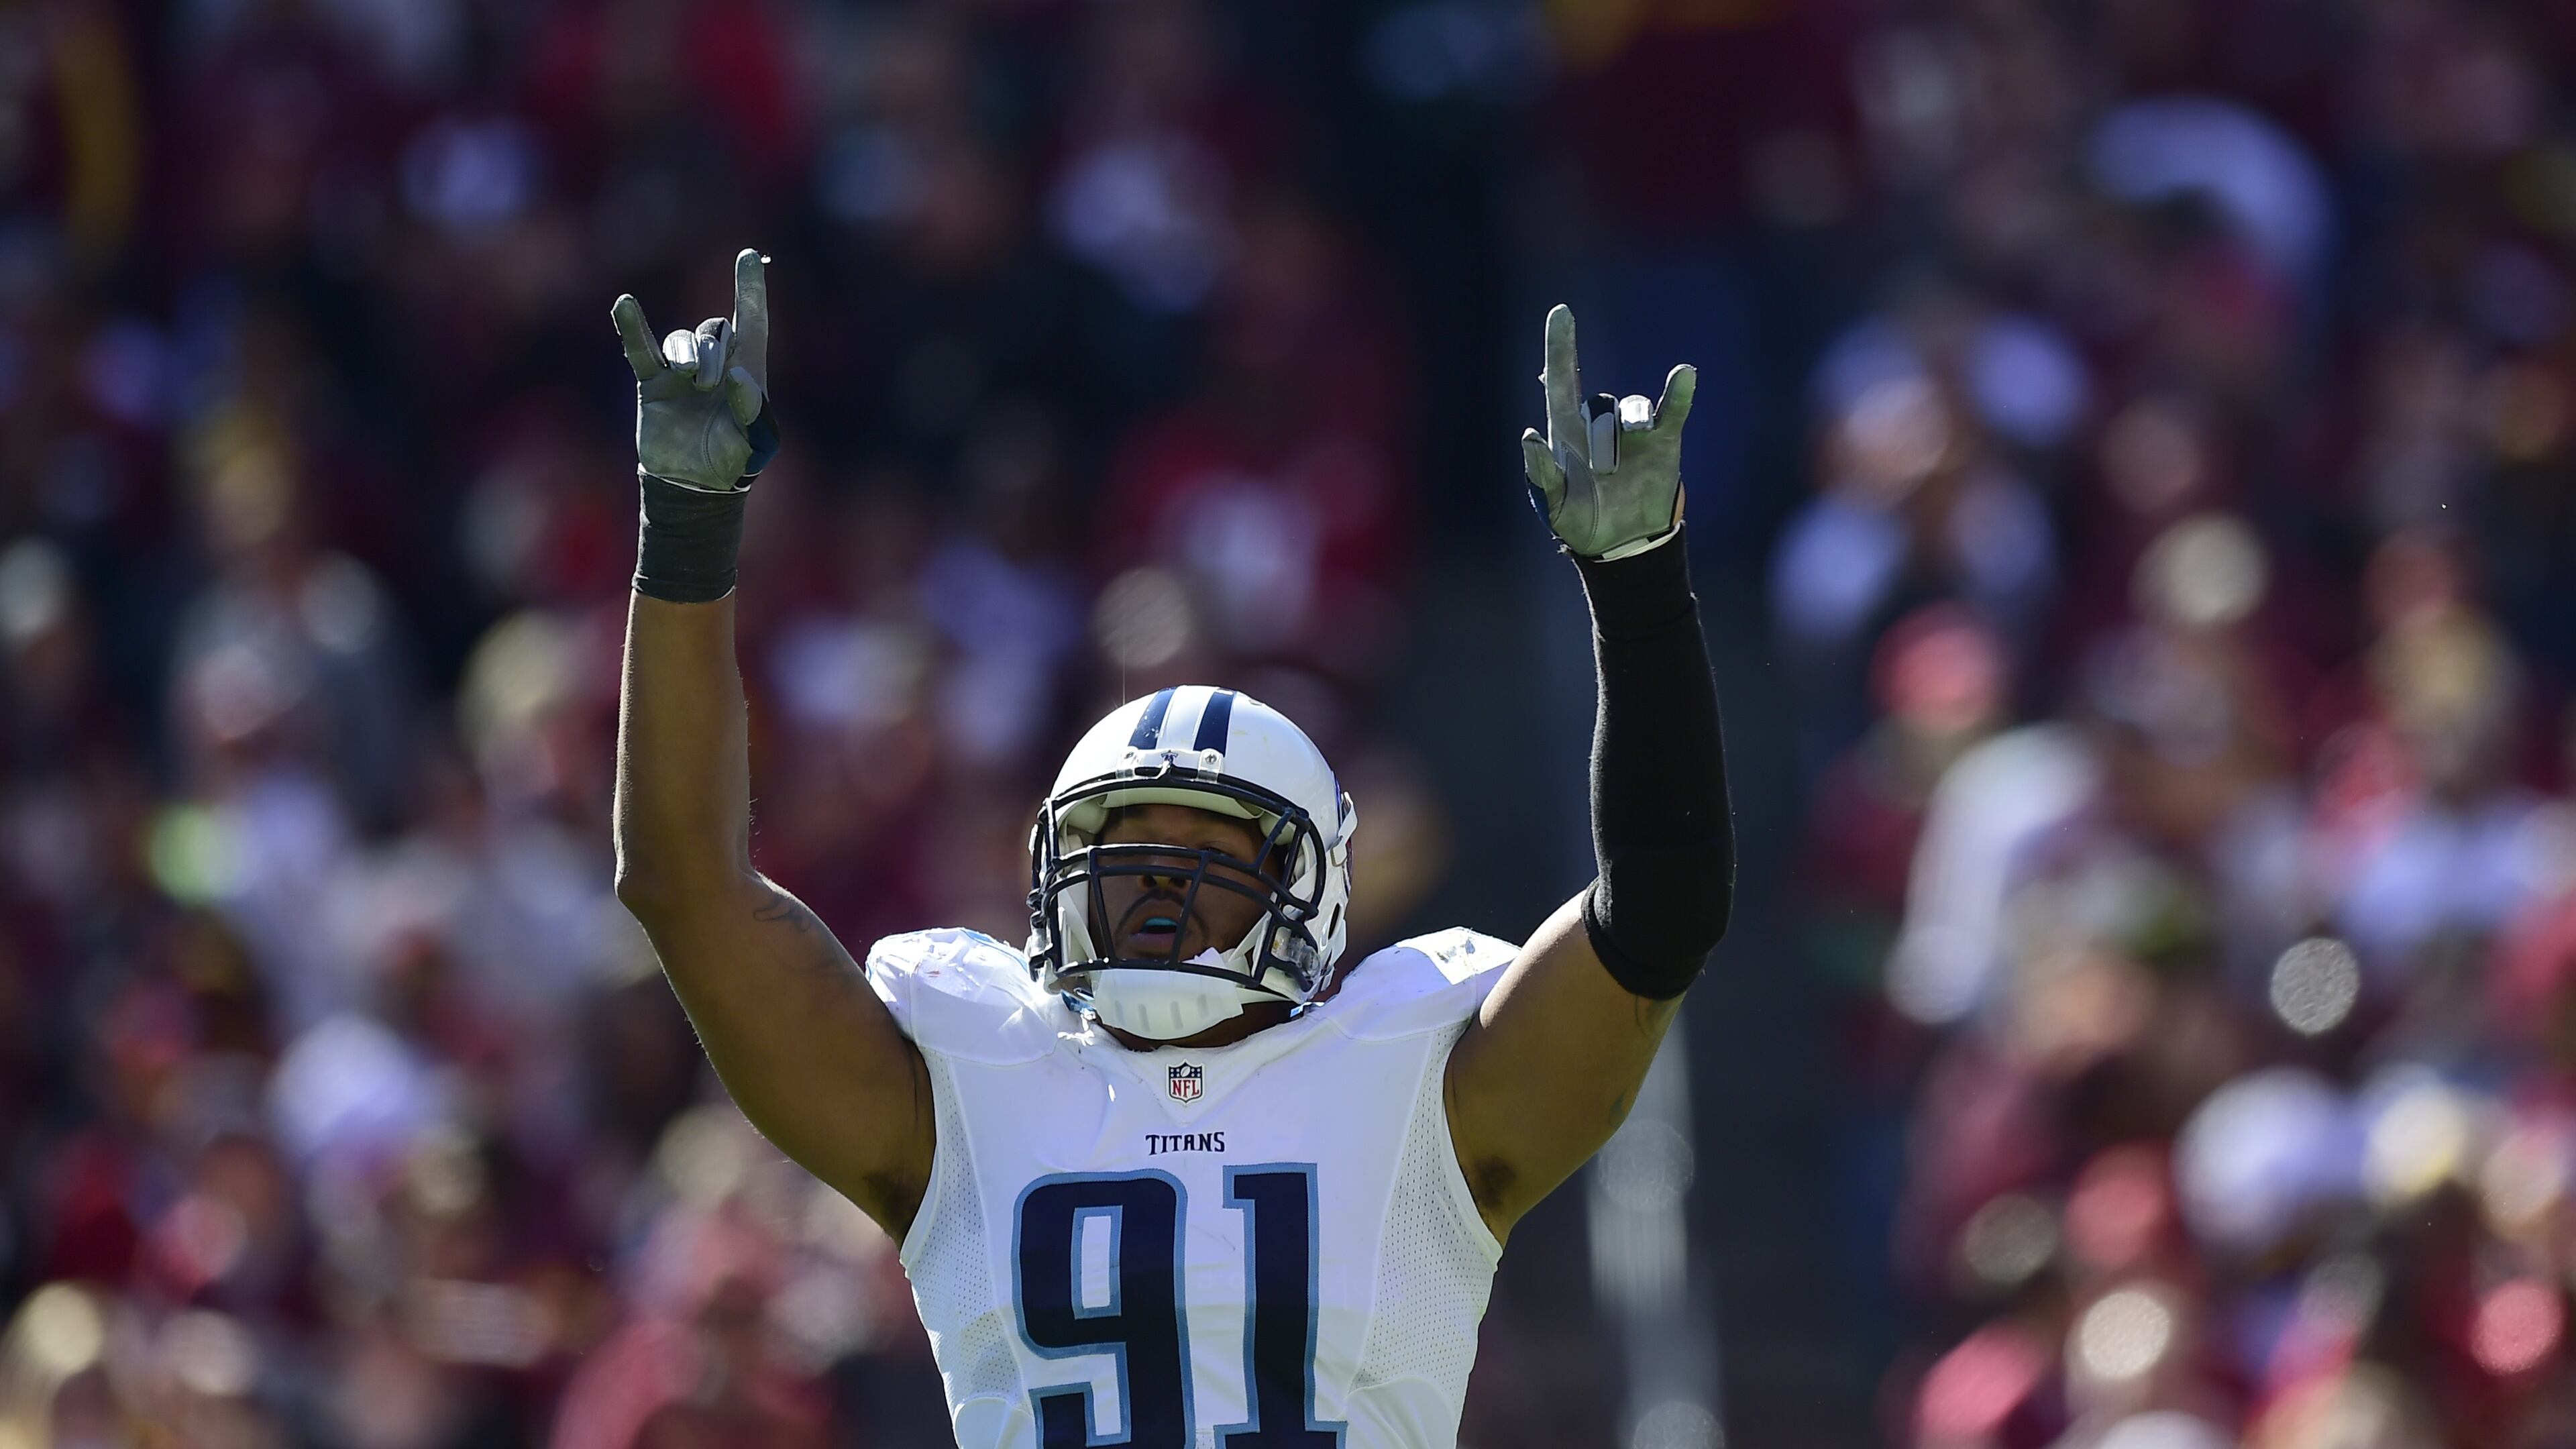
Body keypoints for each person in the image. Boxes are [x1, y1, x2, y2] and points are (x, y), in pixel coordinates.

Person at [608, 248, 1735, 1448]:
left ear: (1305, 887)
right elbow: (684, 889)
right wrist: (687, 531)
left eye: (1211, 856)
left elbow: (1659, 908)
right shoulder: (970, 1077)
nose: (1160, 890)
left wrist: (1638, 583)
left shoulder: (1418, 1084)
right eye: (1126, 853)